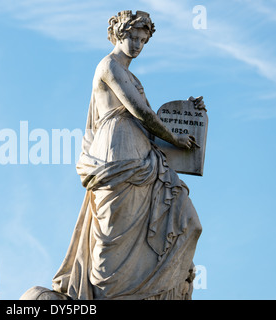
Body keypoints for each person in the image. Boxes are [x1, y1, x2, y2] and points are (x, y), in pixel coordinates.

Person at [51, 10, 204, 300]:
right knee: (113, 233)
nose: (136, 45)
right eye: (132, 37)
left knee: (187, 219)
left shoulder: (129, 75)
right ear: (118, 35)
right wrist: (175, 137)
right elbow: (141, 112)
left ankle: (157, 286)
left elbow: (150, 121)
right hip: (117, 154)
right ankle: (109, 293)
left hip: (143, 155)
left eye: (143, 40)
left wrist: (190, 112)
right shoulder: (108, 66)